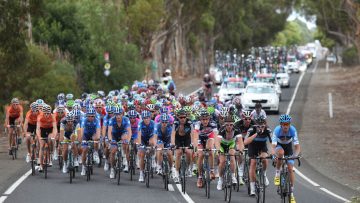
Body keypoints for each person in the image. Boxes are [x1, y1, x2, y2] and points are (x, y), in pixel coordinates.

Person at [271, 114, 300, 203]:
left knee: (290, 168)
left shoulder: (293, 130)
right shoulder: (277, 130)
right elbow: (273, 146)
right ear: (281, 125)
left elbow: (297, 146)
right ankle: (277, 173)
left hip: (288, 147)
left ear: (289, 124)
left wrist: (295, 155)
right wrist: (273, 154)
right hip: (279, 146)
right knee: (280, 153)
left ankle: (291, 193)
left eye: (287, 124)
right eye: (284, 124)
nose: (285, 126)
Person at [244, 115, 272, 196]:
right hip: (252, 147)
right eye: (258, 126)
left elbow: (272, 143)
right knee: (253, 163)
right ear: (255, 125)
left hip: (262, 147)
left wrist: (271, 153)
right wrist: (256, 134)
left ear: (265, 124)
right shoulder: (251, 129)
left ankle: (264, 174)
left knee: (265, 159)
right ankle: (252, 187)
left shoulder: (268, 130)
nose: (261, 128)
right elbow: (245, 142)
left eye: (262, 126)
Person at [216, 116, 244, 190]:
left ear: (233, 125)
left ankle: (233, 175)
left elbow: (240, 142)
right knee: (222, 161)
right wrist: (218, 150)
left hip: (231, 144)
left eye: (231, 125)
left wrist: (241, 150)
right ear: (224, 125)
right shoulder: (222, 129)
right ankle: (220, 180)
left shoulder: (237, 129)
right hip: (222, 145)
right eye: (227, 125)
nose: (229, 127)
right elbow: (217, 142)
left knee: (232, 155)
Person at [193, 108, 218, 188]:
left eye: (206, 119)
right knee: (200, 155)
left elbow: (215, 136)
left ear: (209, 118)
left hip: (209, 138)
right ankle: (200, 177)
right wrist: (195, 149)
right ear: (200, 119)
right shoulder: (197, 124)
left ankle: (211, 171)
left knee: (210, 150)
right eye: (203, 119)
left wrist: (217, 148)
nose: (205, 121)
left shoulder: (213, 124)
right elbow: (195, 136)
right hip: (200, 139)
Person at [107, 107, 131, 179]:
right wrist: (111, 141)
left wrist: (128, 141)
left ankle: (124, 157)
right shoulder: (111, 120)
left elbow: (129, 132)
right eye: (116, 114)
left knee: (125, 139)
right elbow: (109, 132)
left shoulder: (126, 119)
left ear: (122, 114)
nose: (118, 116)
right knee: (113, 152)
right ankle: (112, 169)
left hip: (123, 134)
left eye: (119, 114)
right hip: (114, 135)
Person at [172, 109, 193, 183]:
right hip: (178, 138)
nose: (183, 119)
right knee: (178, 153)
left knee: (189, 152)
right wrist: (173, 144)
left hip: (187, 138)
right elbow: (172, 134)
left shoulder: (189, 122)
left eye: (184, 117)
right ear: (178, 117)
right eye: (181, 117)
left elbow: (192, 133)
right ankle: (177, 172)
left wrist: (192, 143)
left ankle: (188, 167)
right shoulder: (175, 123)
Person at [79, 107, 101, 176]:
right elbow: (82, 130)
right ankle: (83, 167)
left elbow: (98, 131)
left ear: (94, 116)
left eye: (92, 116)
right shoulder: (84, 120)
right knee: (84, 150)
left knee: (96, 139)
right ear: (87, 115)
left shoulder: (97, 120)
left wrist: (98, 137)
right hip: (86, 135)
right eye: (89, 116)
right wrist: (82, 140)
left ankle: (95, 153)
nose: (91, 117)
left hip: (93, 135)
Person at [137, 110, 157, 182]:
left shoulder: (153, 123)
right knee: (142, 154)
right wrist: (139, 144)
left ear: (150, 118)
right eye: (144, 118)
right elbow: (138, 134)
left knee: (152, 143)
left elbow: (155, 135)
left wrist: (155, 145)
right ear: (142, 118)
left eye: (148, 117)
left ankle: (153, 157)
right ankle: (141, 173)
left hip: (151, 138)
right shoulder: (140, 123)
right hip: (143, 138)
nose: (146, 119)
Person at [36, 105, 57, 172]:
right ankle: (41, 165)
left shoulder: (52, 116)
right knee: (41, 146)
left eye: (48, 113)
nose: (47, 114)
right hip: (42, 129)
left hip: (50, 129)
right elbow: (38, 129)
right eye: (45, 113)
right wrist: (39, 137)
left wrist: (54, 136)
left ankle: (51, 152)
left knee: (50, 139)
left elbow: (55, 128)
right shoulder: (40, 117)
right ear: (43, 112)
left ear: (50, 112)